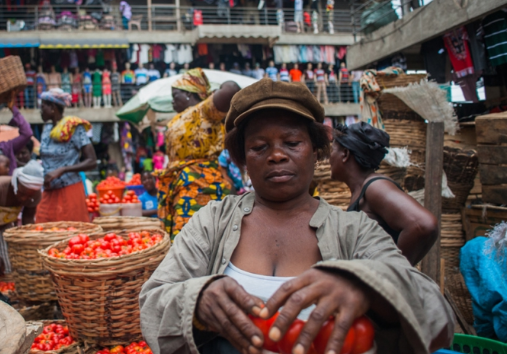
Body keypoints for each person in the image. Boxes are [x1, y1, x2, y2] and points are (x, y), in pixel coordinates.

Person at [139, 79, 454, 354]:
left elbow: (435, 312)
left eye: (292, 143)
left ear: (317, 150)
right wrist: (197, 298)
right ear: (242, 159)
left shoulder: (353, 229)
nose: (276, 155)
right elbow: (154, 300)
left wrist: (367, 288)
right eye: (259, 147)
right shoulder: (212, 221)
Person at [329, 123, 438, 265]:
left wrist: (395, 270)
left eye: (332, 150)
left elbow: (423, 224)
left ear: (345, 154)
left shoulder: (376, 187)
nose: (328, 157)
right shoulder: (362, 190)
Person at [157, 68, 240, 238]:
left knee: (194, 240)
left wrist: (212, 93)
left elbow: (231, 89)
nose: (172, 101)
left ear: (189, 94)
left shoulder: (203, 111)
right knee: (184, 240)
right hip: (182, 182)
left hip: (199, 183)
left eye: (175, 95)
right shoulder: (180, 117)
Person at [36, 89, 97, 223]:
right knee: (44, 231)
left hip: (70, 190)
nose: (40, 111)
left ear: (52, 107)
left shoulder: (74, 128)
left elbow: (92, 161)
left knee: (72, 234)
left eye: (43, 107)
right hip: (48, 191)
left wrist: (63, 169)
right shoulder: (46, 129)